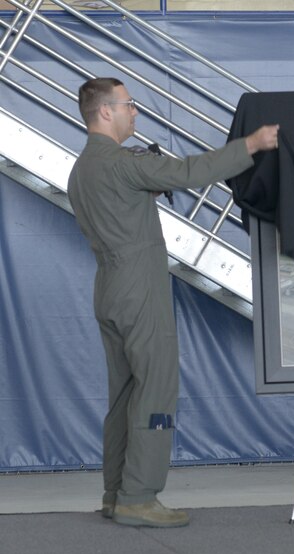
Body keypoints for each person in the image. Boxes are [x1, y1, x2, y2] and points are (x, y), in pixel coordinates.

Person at [68, 77, 279, 528]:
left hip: (107, 285)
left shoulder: (80, 169)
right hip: (139, 286)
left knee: (124, 392)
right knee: (156, 388)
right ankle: (139, 497)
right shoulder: (121, 164)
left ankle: (115, 493)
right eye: (128, 104)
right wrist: (252, 144)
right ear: (105, 112)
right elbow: (188, 173)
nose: (135, 112)